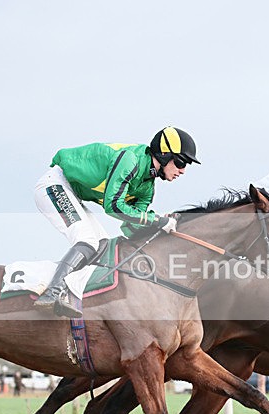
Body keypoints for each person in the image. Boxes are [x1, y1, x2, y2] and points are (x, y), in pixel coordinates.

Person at [33, 127, 200, 318]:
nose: (183, 170)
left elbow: (130, 226)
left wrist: (163, 227)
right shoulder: (130, 160)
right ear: (164, 155)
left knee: (103, 246)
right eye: (180, 162)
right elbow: (113, 206)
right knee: (87, 240)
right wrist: (156, 220)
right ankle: (51, 292)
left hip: (74, 194)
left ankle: (73, 295)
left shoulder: (147, 188)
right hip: (55, 184)